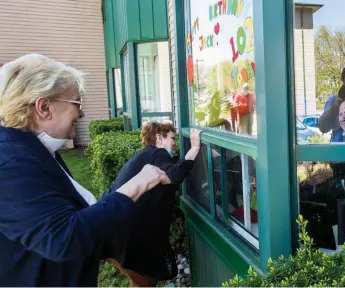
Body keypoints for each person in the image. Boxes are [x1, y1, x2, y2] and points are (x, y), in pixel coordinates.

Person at [0, 54, 171, 286]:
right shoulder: (10, 161)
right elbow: (63, 238)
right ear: (44, 107)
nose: (80, 113)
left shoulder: (34, 149)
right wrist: (136, 184)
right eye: (76, 103)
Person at [104, 122, 201, 287]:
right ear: (159, 138)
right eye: (172, 138)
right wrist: (194, 149)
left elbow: (174, 168)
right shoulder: (158, 153)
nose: (175, 143)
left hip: (112, 231)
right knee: (146, 282)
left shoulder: (146, 156)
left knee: (145, 281)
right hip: (122, 235)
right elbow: (172, 176)